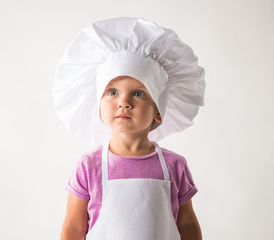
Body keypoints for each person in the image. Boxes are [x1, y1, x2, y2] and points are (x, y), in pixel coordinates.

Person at [53, 17, 205, 240]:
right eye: (112, 92)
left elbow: (187, 223)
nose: (124, 102)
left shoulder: (174, 166)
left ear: (158, 110)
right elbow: (74, 228)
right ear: (98, 106)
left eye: (138, 93)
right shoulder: (88, 167)